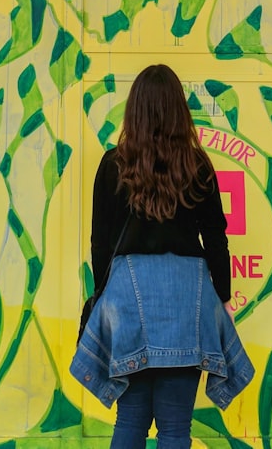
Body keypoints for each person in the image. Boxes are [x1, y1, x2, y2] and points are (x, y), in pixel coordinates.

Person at [70, 64, 255, 449]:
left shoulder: (112, 165)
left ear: (134, 111)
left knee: (131, 421)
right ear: (178, 111)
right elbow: (216, 238)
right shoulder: (197, 165)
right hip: (186, 305)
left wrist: (108, 297)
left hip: (128, 306)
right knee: (174, 428)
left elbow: (100, 244)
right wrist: (221, 295)